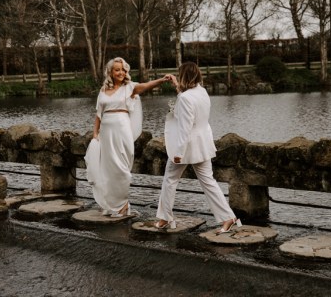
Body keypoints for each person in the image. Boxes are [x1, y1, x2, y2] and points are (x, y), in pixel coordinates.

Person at [155, 62, 241, 233]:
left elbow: (185, 127)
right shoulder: (202, 92)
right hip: (203, 144)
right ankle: (228, 218)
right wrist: (175, 85)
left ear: (184, 77)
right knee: (209, 182)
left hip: (187, 146)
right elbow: (188, 97)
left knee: (170, 180)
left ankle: (165, 218)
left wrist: (178, 152)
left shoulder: (185, 98)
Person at [90, 57, 170, 218]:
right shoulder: (103, 90)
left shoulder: (130, 88)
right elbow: (98, 114)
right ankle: (111, 204)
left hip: (122, 130)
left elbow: (146, 86)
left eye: (123, 70)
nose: (120, 72)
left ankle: (123, 204)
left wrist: (161, 80)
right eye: (117, 70)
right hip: (106, 132)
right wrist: (95, 133)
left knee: (121, 169)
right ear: (111, 72)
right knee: (107, 170)